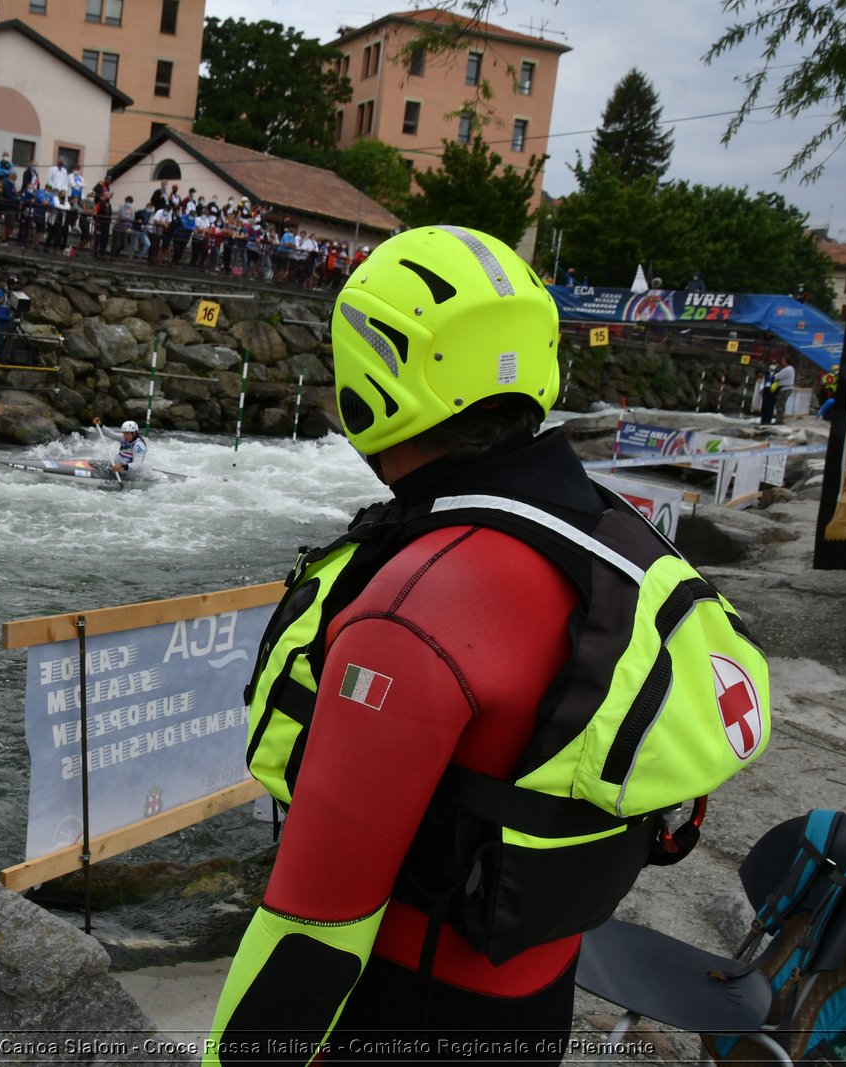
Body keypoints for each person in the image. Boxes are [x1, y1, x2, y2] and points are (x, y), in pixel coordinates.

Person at [202, 225, 673, 1064]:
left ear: (374, 380)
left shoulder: (412, 611)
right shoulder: (603, 534)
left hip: (412, 1006)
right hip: (533, 996)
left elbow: (310, 932)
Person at [761, 353, 796, 425]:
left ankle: (779, 421)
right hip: (787, 388)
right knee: (781, 405)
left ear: (786, 361)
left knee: (780, 405)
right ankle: (779, 420)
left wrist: (774, 371)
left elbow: (777, 376)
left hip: (784, 389)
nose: (782, 362)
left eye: (783, 360)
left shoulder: (787, 370)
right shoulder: (791, 369)